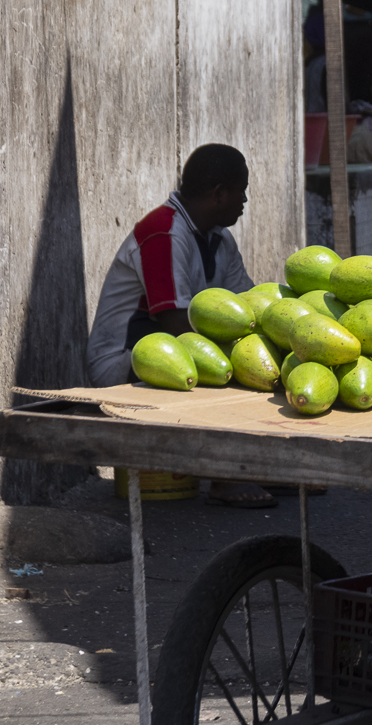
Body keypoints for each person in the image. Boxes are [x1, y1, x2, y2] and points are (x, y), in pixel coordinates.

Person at [86, 144, 277, 509]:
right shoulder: (163, 232)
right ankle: (226, 473)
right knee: (222, 360)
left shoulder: (220, 239)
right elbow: (174, 322)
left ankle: (248, 461)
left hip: (167, 346)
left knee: (259, 354)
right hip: (122, 359)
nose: (246, 199)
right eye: (241, 190)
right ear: (219, 192)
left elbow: (248, 304)